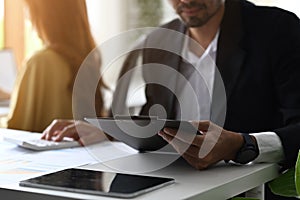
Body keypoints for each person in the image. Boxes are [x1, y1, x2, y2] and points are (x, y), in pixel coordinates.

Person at [42, 0, 300, 199]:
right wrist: (108, 130)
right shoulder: (159, 42)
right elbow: (155, 120)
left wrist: (243, 145)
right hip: (175, 188)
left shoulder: (277, 30)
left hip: (251, 190)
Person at [0, 0, 105, 132]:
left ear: (42, 15)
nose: (27, 17)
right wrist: (11, 96)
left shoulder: (40, 62)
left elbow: (15, 128)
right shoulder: (87, 59)